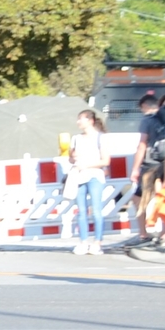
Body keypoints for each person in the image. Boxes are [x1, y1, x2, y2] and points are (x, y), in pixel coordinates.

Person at [65, 109, 110, 254]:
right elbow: (71, 158)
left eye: (81, 119)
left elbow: (105, 160)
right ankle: (83, 241)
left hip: (94, 175)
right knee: (81, 211)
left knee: (96, 210)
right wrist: (72, 156)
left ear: (90, 121)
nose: (78, 122)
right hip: (79, 175)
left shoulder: (100, 138)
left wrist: (88, 165)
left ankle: (97, 242)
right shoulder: (76, 138)